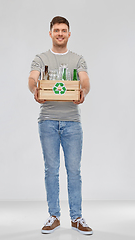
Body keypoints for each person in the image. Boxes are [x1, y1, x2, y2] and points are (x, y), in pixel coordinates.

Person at [28, 16, 93, 235]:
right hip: (47, 121)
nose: (60, 33)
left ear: (69, 33)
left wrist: (83, 92)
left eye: (64, 30)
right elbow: (32, 79)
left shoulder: (77, 59)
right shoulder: (41, 57)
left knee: (74, 171)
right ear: (50, 33)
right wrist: (34, 89)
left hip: (72, 122)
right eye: (56, 30)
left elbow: (84, 81)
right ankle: (53, 216)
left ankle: (77, 217)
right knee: (51, 170)